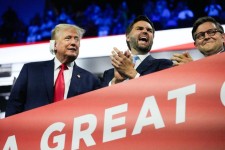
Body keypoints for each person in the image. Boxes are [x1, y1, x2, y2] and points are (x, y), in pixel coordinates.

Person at [5, 24, 101, 117]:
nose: (73, 42)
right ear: (54, 45)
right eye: (68, 38)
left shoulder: (91, 80)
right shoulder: (30, 71)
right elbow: (13, 106)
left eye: (76, 39)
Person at [101, 15, 173, 87]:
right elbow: (100, 97)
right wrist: (116, 82)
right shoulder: (109, 74)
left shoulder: (163, 65)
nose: (145, 31)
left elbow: (162, 91)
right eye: (139, 29)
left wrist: (132, 73)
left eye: (149, 30)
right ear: (128, 37)